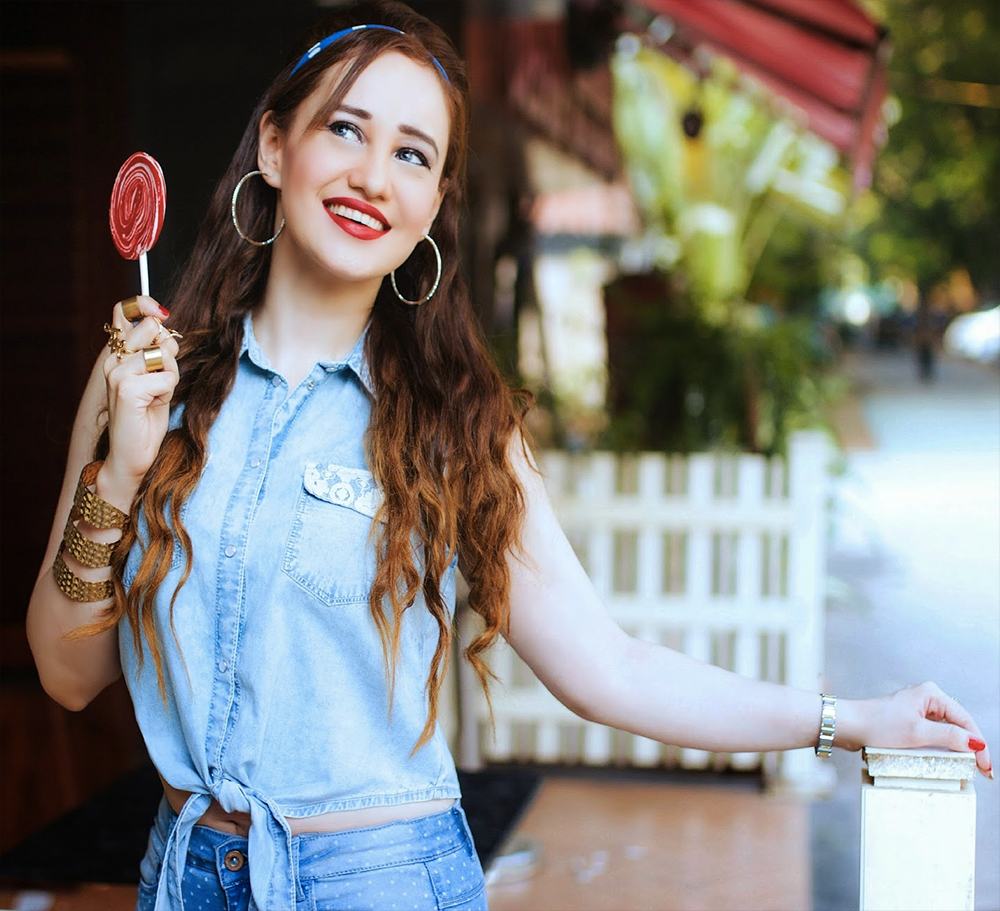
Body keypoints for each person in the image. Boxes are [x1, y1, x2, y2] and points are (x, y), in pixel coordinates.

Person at [26, 2, 992, 910]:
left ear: (433, 203)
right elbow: (68, 673)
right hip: (183, 874)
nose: (373, 176)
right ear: (276, 146)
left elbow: (609, 667)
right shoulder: (148, 380)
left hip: (382, 879)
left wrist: (852, 718)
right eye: (346, 130)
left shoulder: (454, 425)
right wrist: (119, 469)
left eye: (412, 153)